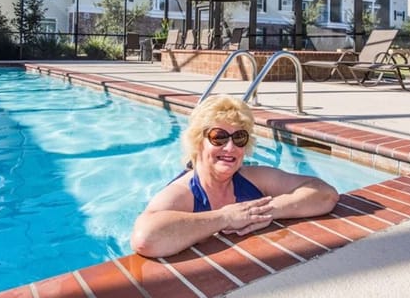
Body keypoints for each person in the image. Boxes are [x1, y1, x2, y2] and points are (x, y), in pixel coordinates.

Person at [130, 94, 339, 258]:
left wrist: (266, 211)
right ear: (198, 142)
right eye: (218, 137)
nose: (230, 148)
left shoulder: (254, 178)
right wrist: (226, 217)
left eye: (239, 137)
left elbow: (325, 194)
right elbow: (145, 239)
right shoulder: (183, 192)